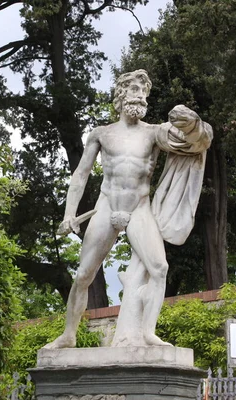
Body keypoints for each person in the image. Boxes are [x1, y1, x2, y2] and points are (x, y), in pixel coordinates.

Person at [45, 70, 212, 349]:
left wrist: (193, 123)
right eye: (134, 88)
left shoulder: (155, 132)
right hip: (106, 205)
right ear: (121, 94)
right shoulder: (101, 134)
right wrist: (68, 214)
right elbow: (81, 174)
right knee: (83, 275)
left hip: (139, 208)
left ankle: (148, 332)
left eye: (144, 91)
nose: (140, 95)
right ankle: (68, 335)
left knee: (159, 268)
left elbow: (197, 141)